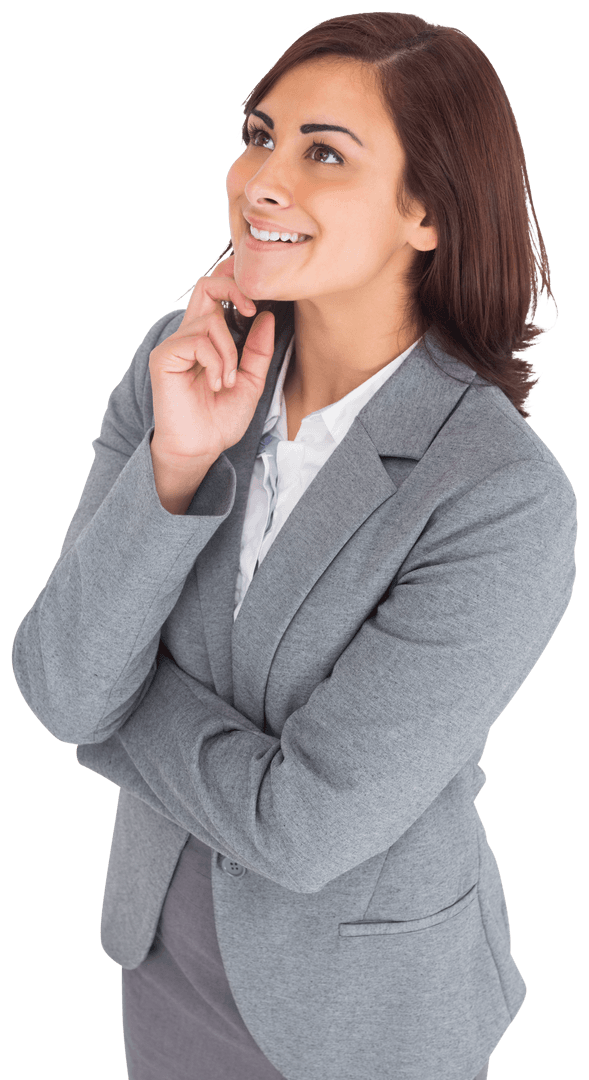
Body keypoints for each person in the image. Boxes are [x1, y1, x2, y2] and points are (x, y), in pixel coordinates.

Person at [11, 12, 577, 1080]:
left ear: (427, 210)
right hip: (161, 967)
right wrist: (176, 468)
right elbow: (54, 680)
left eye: (324, 153)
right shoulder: (176, 365)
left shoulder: (501, 499)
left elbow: (301, 828)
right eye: (259, 135)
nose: (261, 178)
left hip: (364, 1015)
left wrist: (108, 715)